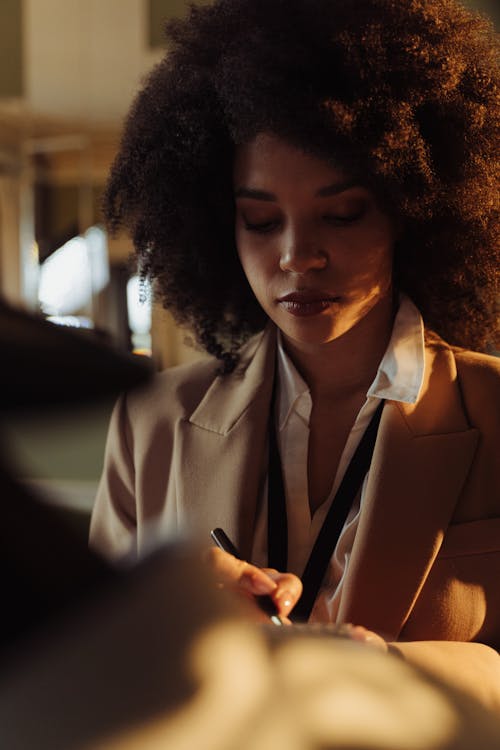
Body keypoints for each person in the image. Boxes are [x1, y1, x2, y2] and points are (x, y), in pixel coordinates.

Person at [90, 0, 500, 708]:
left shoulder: (494, 414)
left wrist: (403, 673)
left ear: (414, 208)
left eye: (342, 215)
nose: (296, 257)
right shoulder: (150, 422)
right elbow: (88, 676)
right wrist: (165, 619)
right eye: (259, 220)